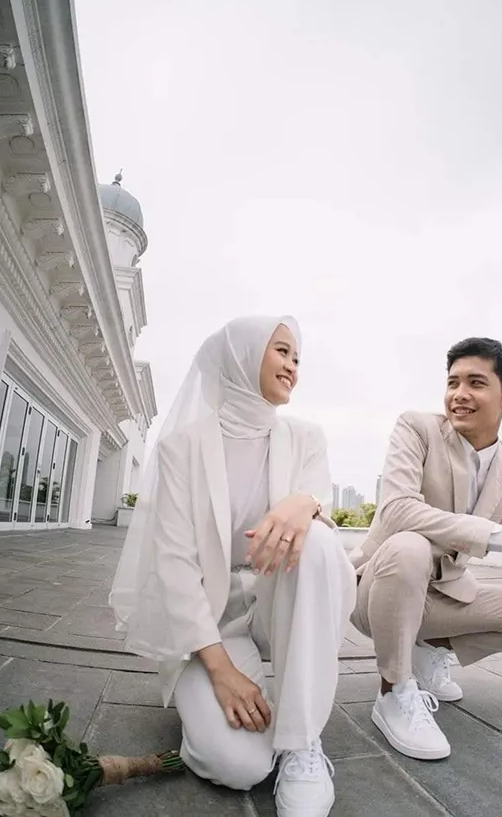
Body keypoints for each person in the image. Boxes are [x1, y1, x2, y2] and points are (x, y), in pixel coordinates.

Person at [110, 316, 356, 817]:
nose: (292, 365)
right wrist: (219, 671)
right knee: (239, 766)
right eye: (282, 351)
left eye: (297, 357)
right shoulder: (182, 448)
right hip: (215, 627)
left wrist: (303, 503)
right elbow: (175, 565)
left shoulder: (306, 437)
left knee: (317, 543)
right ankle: (224, 700)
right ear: (242, 356)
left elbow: (315, 498)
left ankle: (302, 743)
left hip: (280, 605)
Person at [350, 337, 502, 761]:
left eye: (476, 383)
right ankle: (393, 690)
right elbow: (397, 512)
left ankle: (426, 652)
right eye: (453, 382)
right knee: (409, 546)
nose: (459, 395)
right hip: (376, 588)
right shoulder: (417, 428)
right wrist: (497, 535)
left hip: (442, 596)